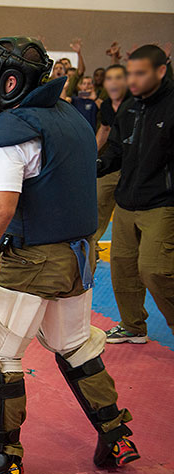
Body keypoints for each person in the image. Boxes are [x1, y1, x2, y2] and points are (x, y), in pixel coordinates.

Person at [0, 37, 139, 474]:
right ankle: (117, 437)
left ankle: (5, 455)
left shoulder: (15, 128)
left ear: (7, 81)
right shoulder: (72, 119)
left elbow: (2, 205)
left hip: (35, 261)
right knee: (76, 346)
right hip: (80, 257)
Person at [97, 45, 174, 342]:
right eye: (130, 73)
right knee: (123, 269)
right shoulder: (129, 108)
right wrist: (99, 164)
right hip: (127, 201)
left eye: (140, 73)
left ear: (161, 71)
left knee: (155, 270)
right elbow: (116, 148)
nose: (133, 80)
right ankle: (132, 326)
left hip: (162, 203)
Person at [92, 65, 131, 253]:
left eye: (118, 78)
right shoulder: (106, 105)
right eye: (110, 78)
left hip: (134, 167)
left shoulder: (136, 103)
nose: (113, 82)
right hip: (111, 162)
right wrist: (90, 153)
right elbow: (105, 130)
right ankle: (91, 244)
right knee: (99, 199)